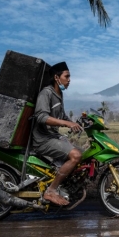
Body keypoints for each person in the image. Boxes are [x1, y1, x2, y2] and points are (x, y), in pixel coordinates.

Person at [32, 61, 83, 206]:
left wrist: (76, 123)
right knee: (75, 155)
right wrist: (66, 123)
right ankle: (51, 191)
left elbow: (61, 117)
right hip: (43, 139)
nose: (69, 80)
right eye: (67, 76)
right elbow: (41, 117)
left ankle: (65, 186)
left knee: (82, 153)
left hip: (53, 136)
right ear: (56, 77)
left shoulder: (58, 94)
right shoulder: (46, 93)